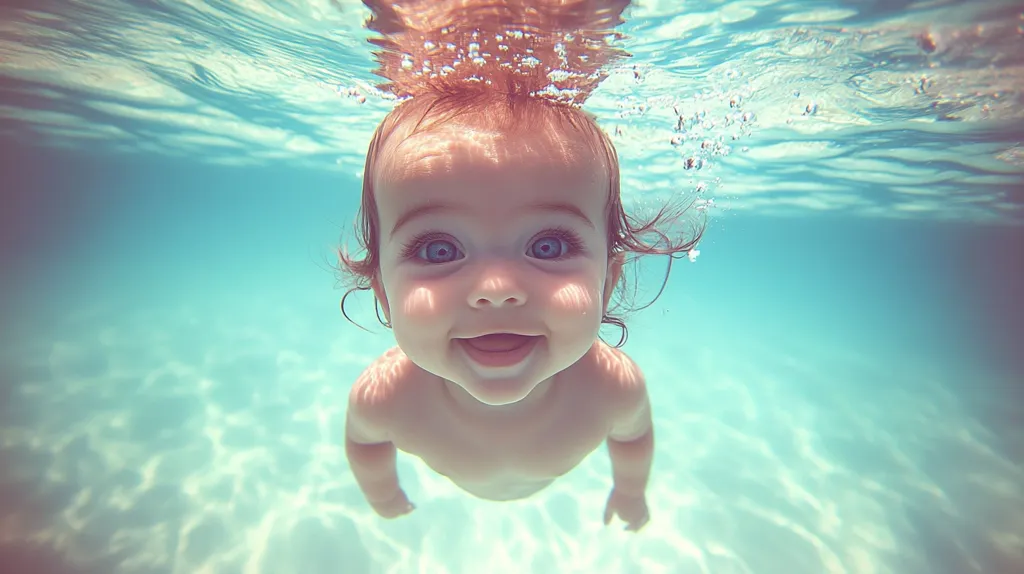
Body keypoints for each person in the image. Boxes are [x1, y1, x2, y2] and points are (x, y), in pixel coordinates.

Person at [337, 0, 702, 532]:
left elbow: (634, 436)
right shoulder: (385, 397)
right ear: (383, 293)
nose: (496, 290)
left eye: (549, 246)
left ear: (609, 280)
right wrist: (383, 493)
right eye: (438, 250)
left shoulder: (614, 388)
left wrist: (630, 490)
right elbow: (364, 443)